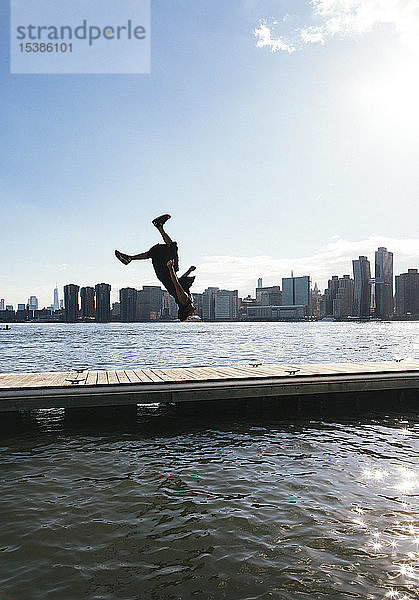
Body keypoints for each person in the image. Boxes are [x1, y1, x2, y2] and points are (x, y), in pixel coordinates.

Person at [115, 214, 196, 321]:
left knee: (169, 248)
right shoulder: (186, 300)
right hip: (166, 273)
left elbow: (176, 283)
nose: (193, 313)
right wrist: (188, 271)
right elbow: (181, 282)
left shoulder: (184, 299)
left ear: (186, 310)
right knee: (159, 251)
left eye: (189, 314)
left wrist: (171, 268)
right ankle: (130, 258)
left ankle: (159, 226)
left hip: (167, 273)